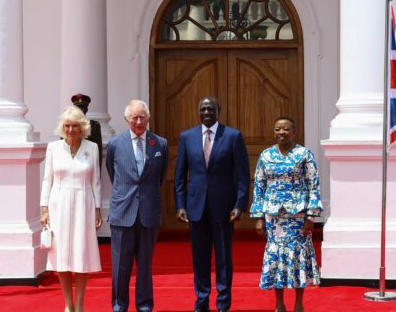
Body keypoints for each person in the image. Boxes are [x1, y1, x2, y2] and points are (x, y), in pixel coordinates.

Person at [174, 96, 250, 312]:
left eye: (211, 109)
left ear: (219, 110)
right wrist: (180, 204)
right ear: (199, 111)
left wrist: (240, 204)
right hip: (195, 207)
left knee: (224, 258)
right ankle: (202, 301)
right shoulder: (187, 137)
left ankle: (223, 303)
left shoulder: (233, 136)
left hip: (224, 208)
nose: (207, 113)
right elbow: (180, 174)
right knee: (200, 258)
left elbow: (242, 175)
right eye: (203, 109)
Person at [250, 116, 323, 312]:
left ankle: (299, 304)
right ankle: (279, 304)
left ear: (294, 132)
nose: (281, 133)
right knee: (277, 259)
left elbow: (313, 185)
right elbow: (259, 186)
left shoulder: (304, 154)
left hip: (297, 216)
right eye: (278, 129)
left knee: (297, 257)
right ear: (274, 132)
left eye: (286, 129)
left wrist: (311, 217)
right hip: (273, 218)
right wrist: (259, 218)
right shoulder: (265, 156)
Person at [106, 100, 168, 312]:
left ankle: (144, 306)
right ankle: (119, 306)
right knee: (120, 267)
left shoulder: (160, 144)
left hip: (148, 214)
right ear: (126, 119)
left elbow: (160, 176)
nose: (139, 121)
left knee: (145, 267)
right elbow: (113, 175)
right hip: (123, 213)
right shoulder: (115, 144)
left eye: (143, 117)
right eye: (135, 117)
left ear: (148, 118)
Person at [40, 106, 103, 312]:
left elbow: (96, 182)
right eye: (67, 126)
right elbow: (47, 180)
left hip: (84, 204)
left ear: (82, 127)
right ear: (62, 128)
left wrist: (97, 209)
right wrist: (44, 209)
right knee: (63, 256)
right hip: (58, 205)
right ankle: (68, 304)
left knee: (81, 254)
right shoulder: (53, 148)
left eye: (75, 126)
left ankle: (80, 303)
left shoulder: (92, 148)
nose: (70, 130)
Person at [71, 93, 103, 171]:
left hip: (87, 166)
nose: (80, 110)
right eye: (78, 107)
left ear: (87, 109)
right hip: (71, 165)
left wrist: (97, 172)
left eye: (82, 107)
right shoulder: (68, 125)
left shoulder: (94, 125)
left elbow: (98, 152)